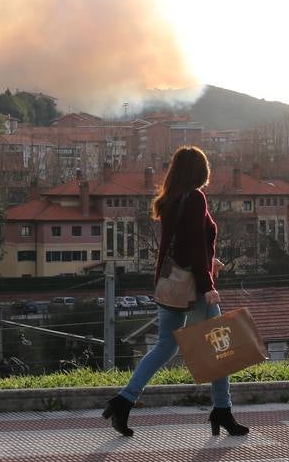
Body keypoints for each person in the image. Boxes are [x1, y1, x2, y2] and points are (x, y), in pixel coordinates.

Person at [102, 145, 249, 437]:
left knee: (164, 347)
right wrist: (207, 286)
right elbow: (193, 245)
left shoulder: (170, 199)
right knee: (220, 348)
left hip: (171, 283)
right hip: (194, 288)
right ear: (200, 170)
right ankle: (222, 410)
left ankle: (123, 401)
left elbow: (182, 244)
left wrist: (209, 261)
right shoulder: (195, 198)